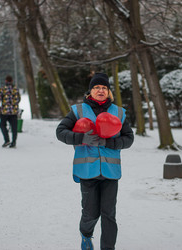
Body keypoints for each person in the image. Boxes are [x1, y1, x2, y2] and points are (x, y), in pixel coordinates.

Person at [56, 72, 134, 250]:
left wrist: (111, 142)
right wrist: (82, 138)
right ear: (90, 91)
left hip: (110, 172)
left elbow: (129, 138)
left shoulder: (119, 113)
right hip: (87, 170)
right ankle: (86, 234)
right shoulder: (78, 111)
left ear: (109, 92)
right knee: (90, 213)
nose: (100, 90)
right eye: (96, 87)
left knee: (108, 214)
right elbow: (60, 132)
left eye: (104, 88)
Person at [0, 75, 21, 148]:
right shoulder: (15, 89)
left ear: (6, 81)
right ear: (12, 81)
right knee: (14, 127)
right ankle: (13, 142)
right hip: (13, 112)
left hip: (4, 112)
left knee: (2, 125)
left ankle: (7, 140)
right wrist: (13, 104)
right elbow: (18, 99)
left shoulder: (2, 89)